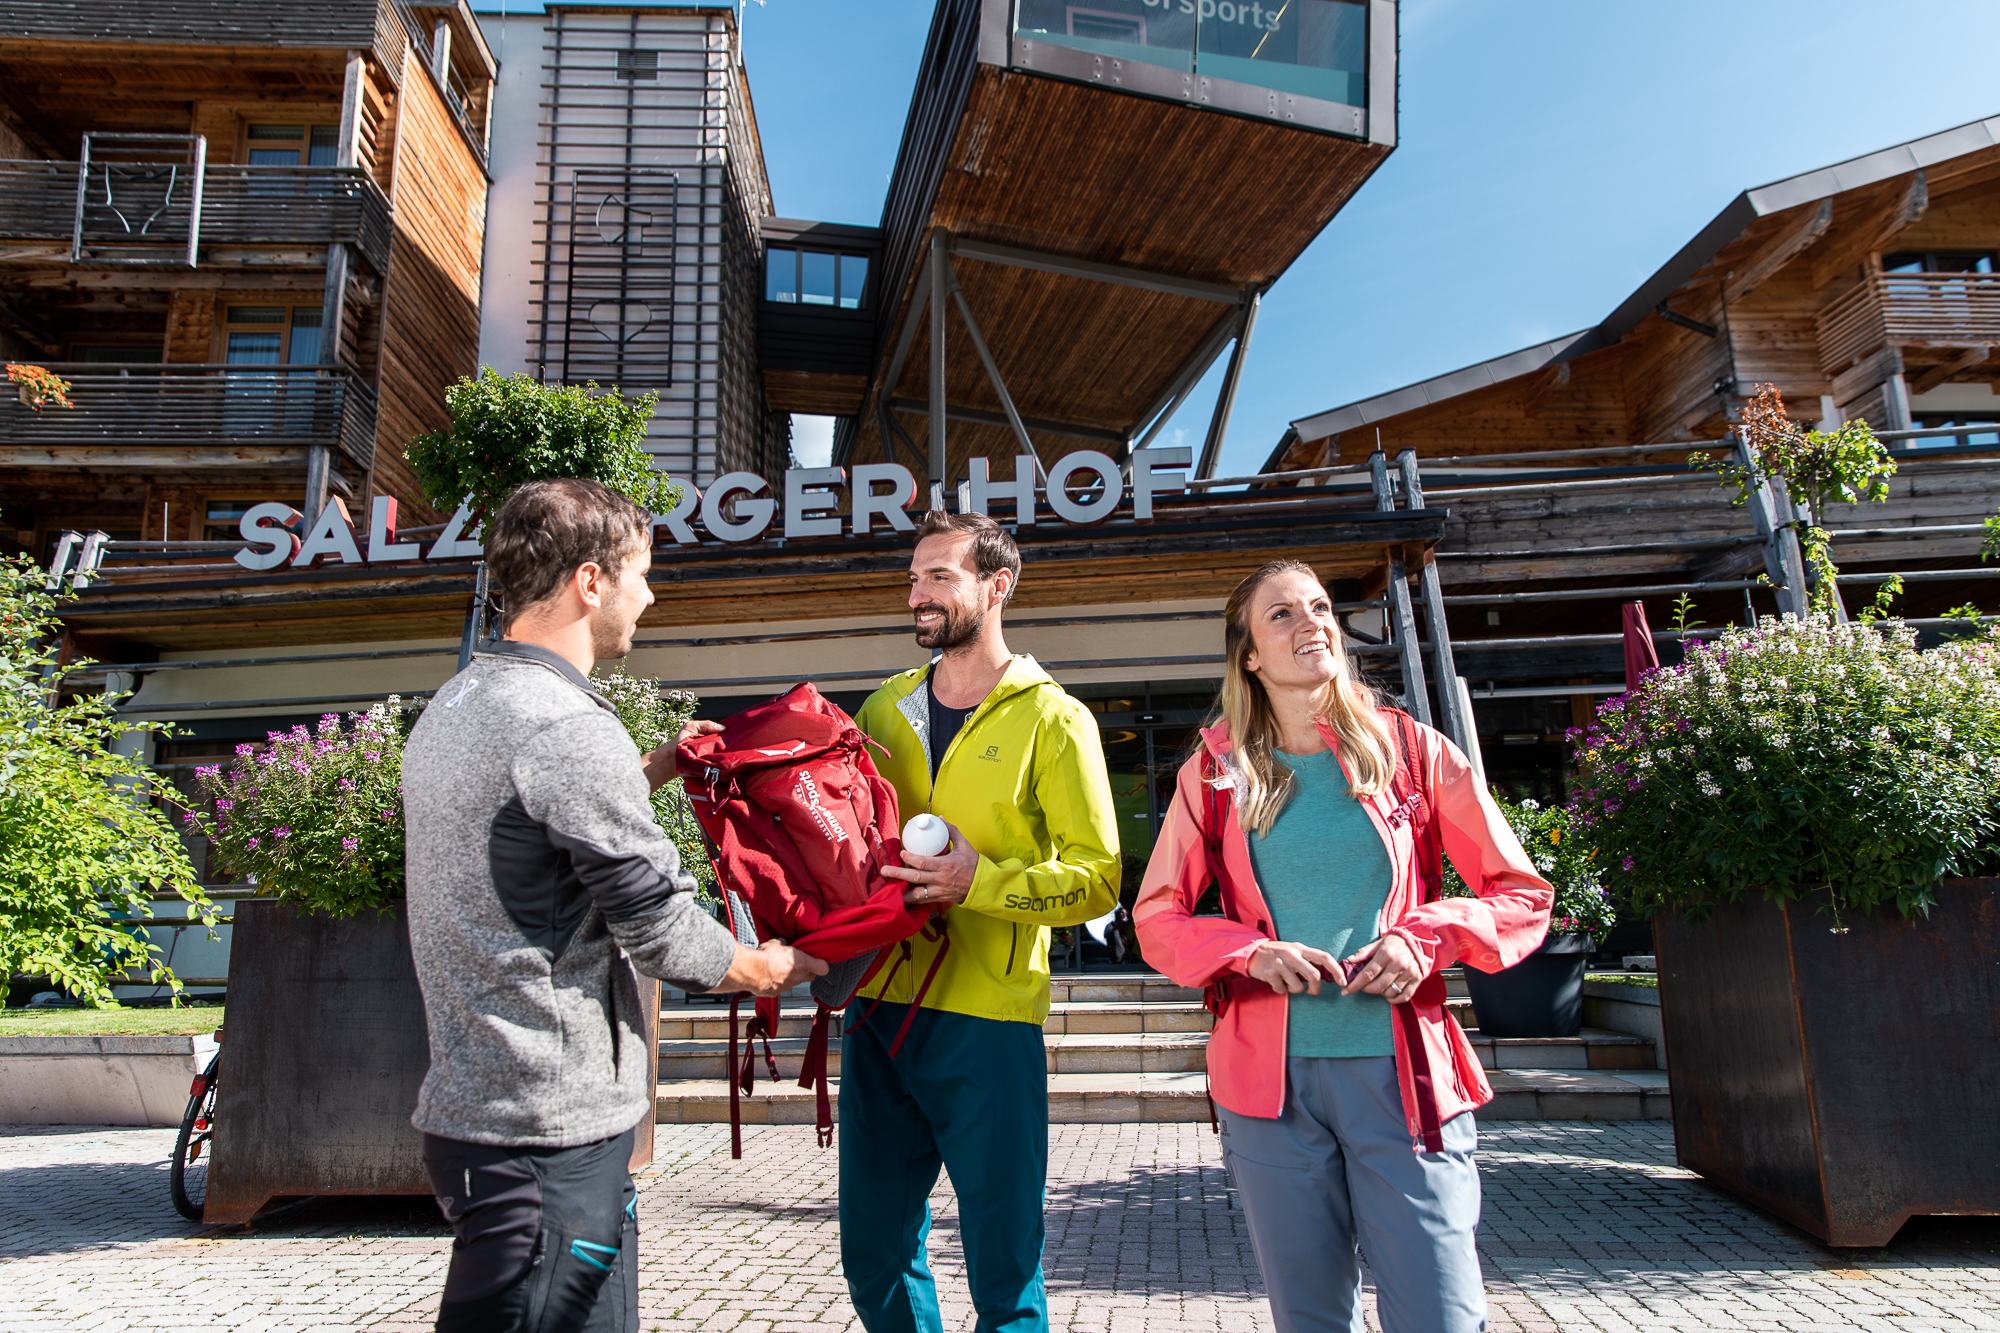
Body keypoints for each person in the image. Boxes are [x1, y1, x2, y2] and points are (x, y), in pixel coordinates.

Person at [402, 478, 825, 1333]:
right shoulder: (563, 724)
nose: (650, 595)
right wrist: (774, 965)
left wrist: (659, 765)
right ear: (590, 582)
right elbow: (660, 926)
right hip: (549, 1137)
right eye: (641, 573)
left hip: (478, 1114)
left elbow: (529, 832)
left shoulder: (460, 703)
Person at [1133, 560, 1551, 1333]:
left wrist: (1427, 937)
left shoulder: (1412, 752)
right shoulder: (1216, 772)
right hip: (1267, 1091)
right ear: (1250, 655)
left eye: (1320, 607)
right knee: (1313, 1321)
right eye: (1282, 614)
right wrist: (1246, 953)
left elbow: (1522, 894)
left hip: (1404, 1076)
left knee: (1442, 1317)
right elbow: (1157, 916)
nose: (1311, 623)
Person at [841, 510, 1121, 1333]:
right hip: (877, 1005)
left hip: (988, 1017)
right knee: (874, 1256)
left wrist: (978, 881)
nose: (917, 594)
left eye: (939, 577)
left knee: (1004, 1269)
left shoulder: (1055, 719)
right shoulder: (883, 707)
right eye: (914, 577)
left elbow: (1098, 878)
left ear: (997, 586)